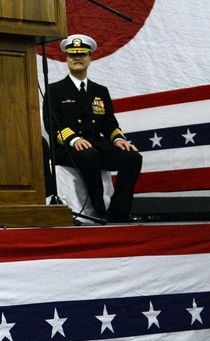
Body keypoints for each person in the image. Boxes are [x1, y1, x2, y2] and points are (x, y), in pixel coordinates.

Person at [44, 34, 141, 223]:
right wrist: (74, 139)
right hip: (67, 148)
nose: (77, 58)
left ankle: (119, 211)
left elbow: (109, 123)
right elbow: (52, 124)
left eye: (82, 54)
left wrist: (119, 140)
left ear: (90, 58)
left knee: (133, 158)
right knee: (90, 155)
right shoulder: (55, 90)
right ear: (66, 59)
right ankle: (99, 210)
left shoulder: (100, 91)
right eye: (73, 55)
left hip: (95, 145)